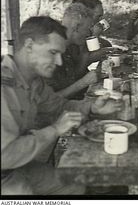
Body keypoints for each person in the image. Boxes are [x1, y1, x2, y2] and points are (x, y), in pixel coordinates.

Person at [1, 16, 123, 195]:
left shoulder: (33, 81)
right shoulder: (4, 87)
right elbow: (5, 155)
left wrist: (91, 107)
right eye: (52, 53)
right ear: (28, 46)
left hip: (17, 167)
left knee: (73, 185)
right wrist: (55, 129)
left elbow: (59, 106)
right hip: (6, 167)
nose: (59, 62)